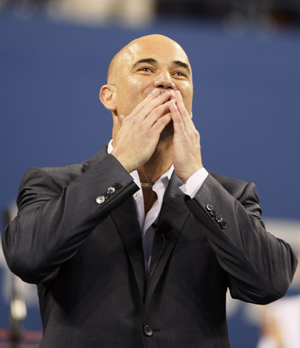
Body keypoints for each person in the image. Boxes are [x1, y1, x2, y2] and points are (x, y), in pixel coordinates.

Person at [1, 34, 297, 348]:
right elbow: (27, 258)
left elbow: (269, 283)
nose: (167, 82)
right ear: (108, 97)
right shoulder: (53, 184)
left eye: (180, 74)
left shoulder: (227, 196)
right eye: (146, 69)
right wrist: (120, 166)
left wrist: (196, 179)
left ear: (191, 102)